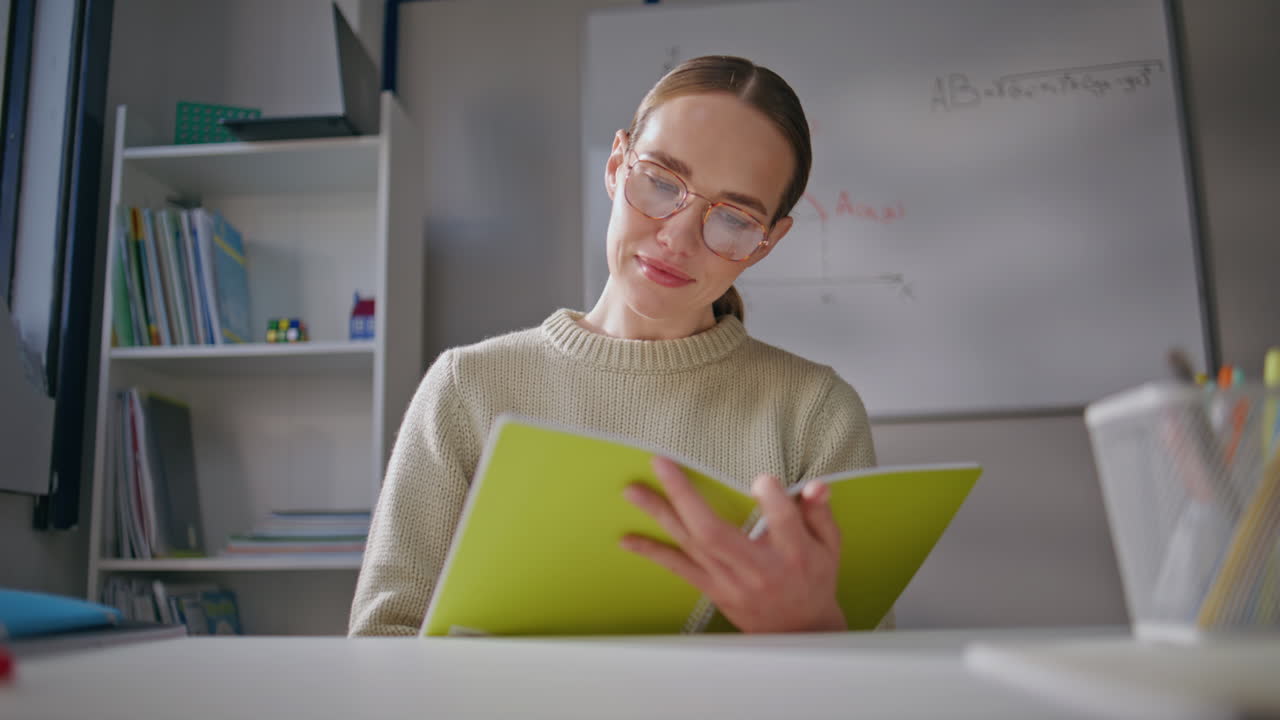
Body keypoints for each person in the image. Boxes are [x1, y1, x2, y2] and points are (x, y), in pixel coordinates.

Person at [348, 56, 882, 637]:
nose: (677, 237)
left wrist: (813, 631)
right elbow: (382, 641)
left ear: (767, 242)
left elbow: (867, 665)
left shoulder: (814, 415)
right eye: (661, 182)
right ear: (615, 165)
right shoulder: (466, 388)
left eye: (734, 218)